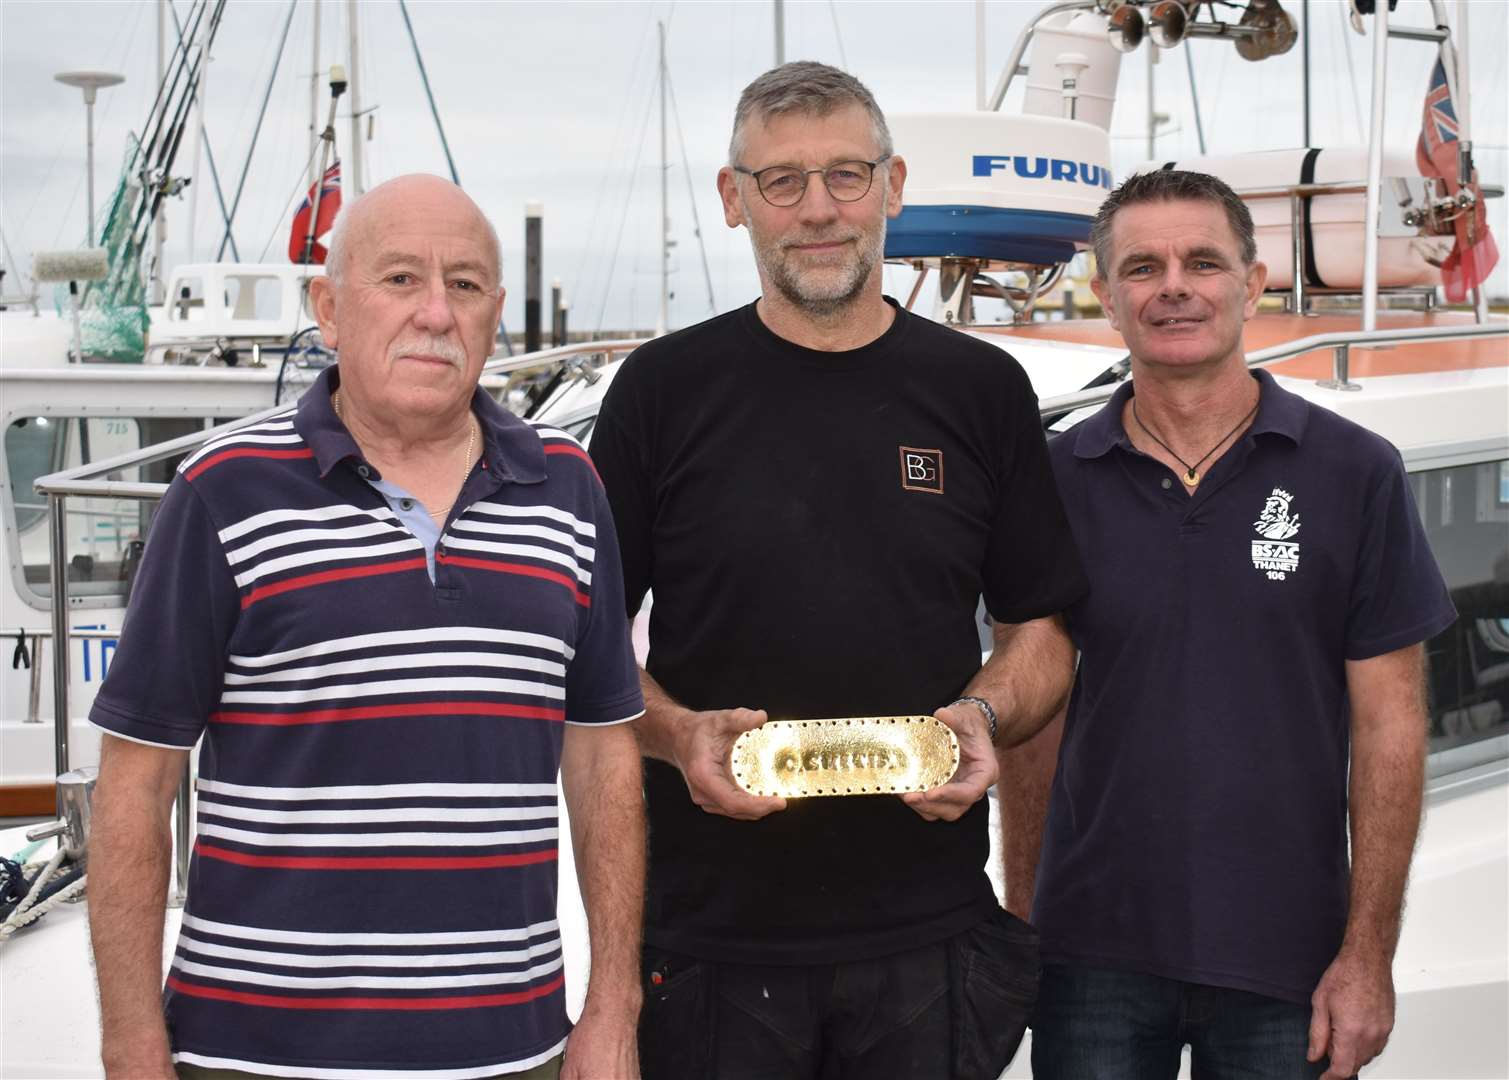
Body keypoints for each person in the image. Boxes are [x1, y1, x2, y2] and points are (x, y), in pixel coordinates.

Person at [588, 62, 1087, 1080]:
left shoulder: (983, 390)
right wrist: (682, 737)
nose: (819, 210)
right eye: (782, 182)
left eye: (848, 176)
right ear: (734, 201)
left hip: (929, 938)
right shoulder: (660, 393)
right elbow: (583, 650)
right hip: (711, 944)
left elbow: (1041, 633)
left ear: (893, 185)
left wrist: (984, 722)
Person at [86, 175, 646, 1080]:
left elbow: (602, 758)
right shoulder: (224, 490)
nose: (435, 311)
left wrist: (611, 1011)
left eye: (463, 285)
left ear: (495, 312)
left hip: (513, 1052)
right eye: (399, 279)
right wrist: (131, 1044)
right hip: (252, 1055)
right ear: (329, 308)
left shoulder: (567, 488)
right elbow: (136, 784)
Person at [1001, 169, 1456, 1080]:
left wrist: (1367, 956)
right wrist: (1023, 923)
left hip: (1289, 958)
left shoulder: (1354, 472)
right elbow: (1033, 718)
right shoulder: (1052, 480)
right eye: (1142, 267)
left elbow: (1391, 728)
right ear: (1107, 295)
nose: (1173, 285)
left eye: (1202, 262)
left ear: (1252, 285)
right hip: (1091, 955)